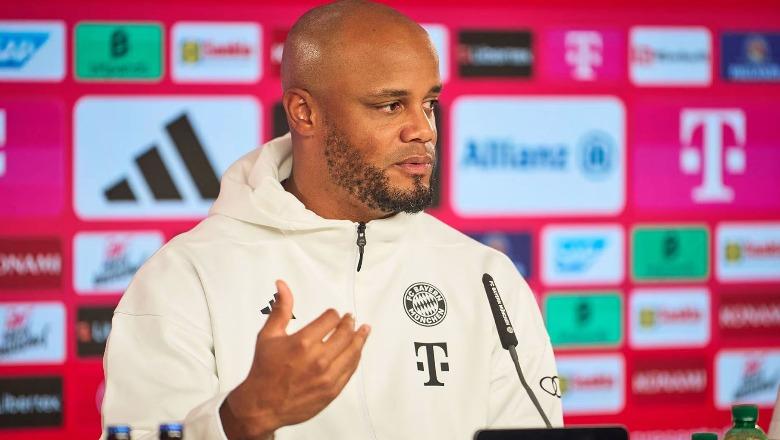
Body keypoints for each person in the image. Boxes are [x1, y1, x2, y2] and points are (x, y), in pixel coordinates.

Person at [100, 1, 562, 438]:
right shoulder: (187, 274)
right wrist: (241, 420)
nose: (423, 130)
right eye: (390, 105)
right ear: (304, 113)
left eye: (429, 104)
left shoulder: (486, 277)